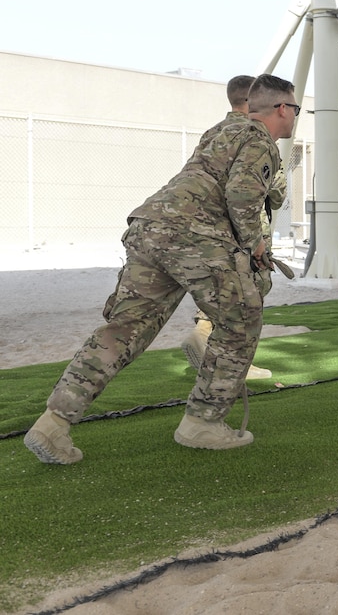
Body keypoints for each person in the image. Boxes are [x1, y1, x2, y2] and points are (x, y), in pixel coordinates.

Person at [23, 74, 298, 464]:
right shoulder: (259, 140)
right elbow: (241, 194)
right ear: (283, 109)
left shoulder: (220, 130)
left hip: (150, 229)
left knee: (123, 330)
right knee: (241, 321)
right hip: (195, 238)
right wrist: (255, 243)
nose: (295, 117)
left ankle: (52, 424)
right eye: (296, 109)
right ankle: (202, 423)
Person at [180, 74, 279, 382]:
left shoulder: (213, 133)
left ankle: (203, 333)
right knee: (249, 296)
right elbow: (274, 191)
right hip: (245, 228)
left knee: (223, 292)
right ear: (254, 100)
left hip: (209, 229)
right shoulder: (257, 135)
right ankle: (236, 365)